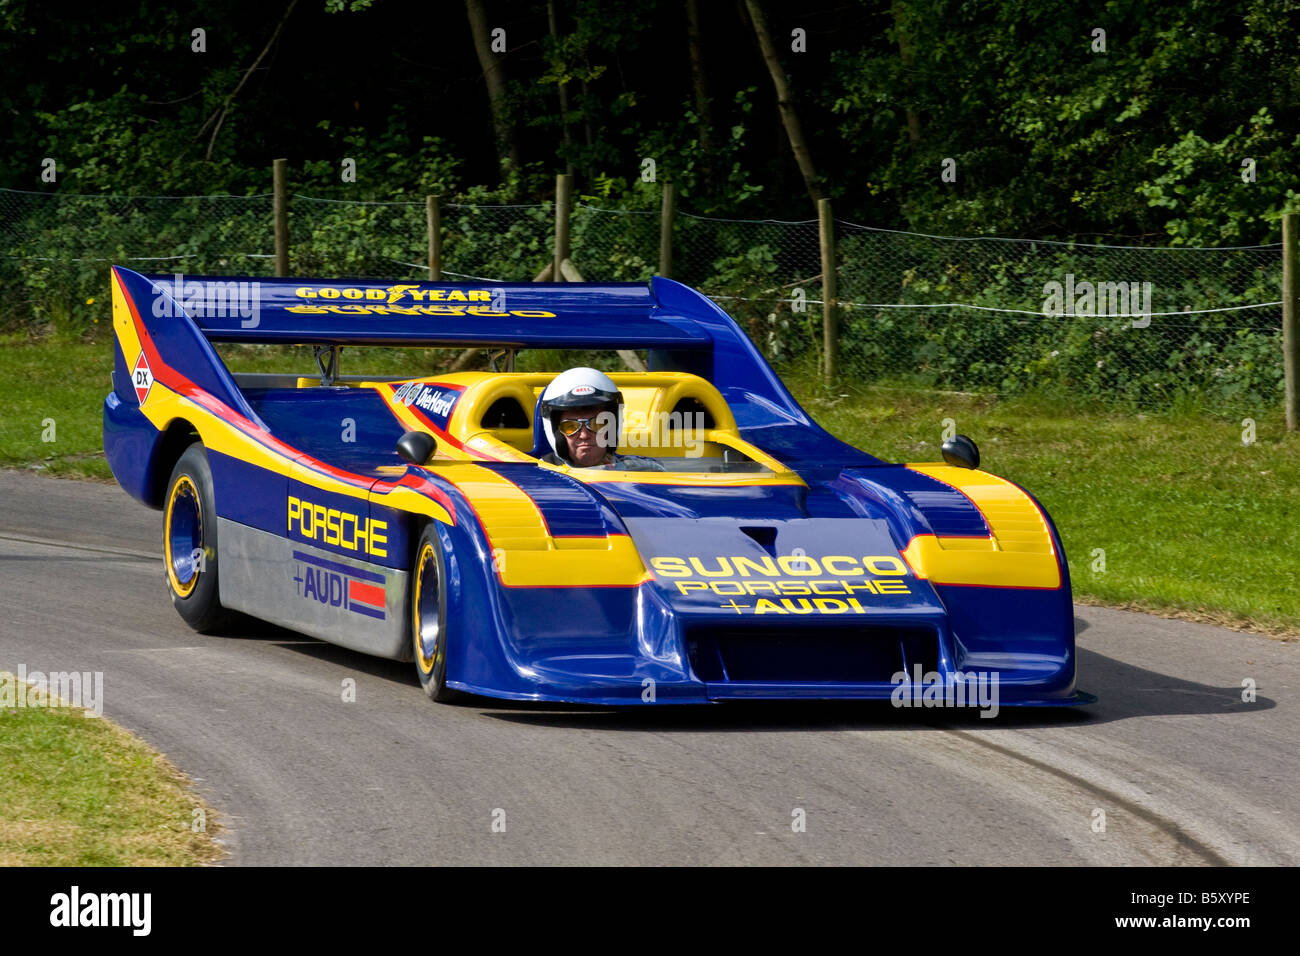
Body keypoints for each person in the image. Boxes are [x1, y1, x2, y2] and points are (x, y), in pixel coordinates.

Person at [537, 367, 665, 470]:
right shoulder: (539, 476)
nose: (584, 435)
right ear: (556, 432)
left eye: (597, 424)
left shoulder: (645, 472)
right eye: (571, 427)